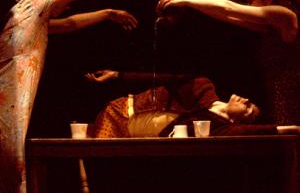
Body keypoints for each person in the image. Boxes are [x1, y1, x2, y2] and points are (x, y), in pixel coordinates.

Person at [0, 0, 138, 193]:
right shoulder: (37, 1)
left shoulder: (26, 11)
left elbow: (69, 24)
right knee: (9, 159)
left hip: (11, 91)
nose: (68, 5)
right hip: (10, 91)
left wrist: (107, 13)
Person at [156, 0, 300, 126]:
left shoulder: (285, 16)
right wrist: (191, 3)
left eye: (251, 1)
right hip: (281, 100)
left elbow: (229, 7)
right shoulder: (270, 27)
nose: (249, 6)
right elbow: (227, 15)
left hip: (292, 99)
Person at [86, 70, 300, 138]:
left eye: (249, 107)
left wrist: (292, 129)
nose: (245, 99)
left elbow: (259, 131)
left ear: (240, 120)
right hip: (120, 111)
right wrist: (118, 75)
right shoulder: (204, 87)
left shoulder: (221, 127)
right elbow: (164, 77)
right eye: (248, 100)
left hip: (135, 135)